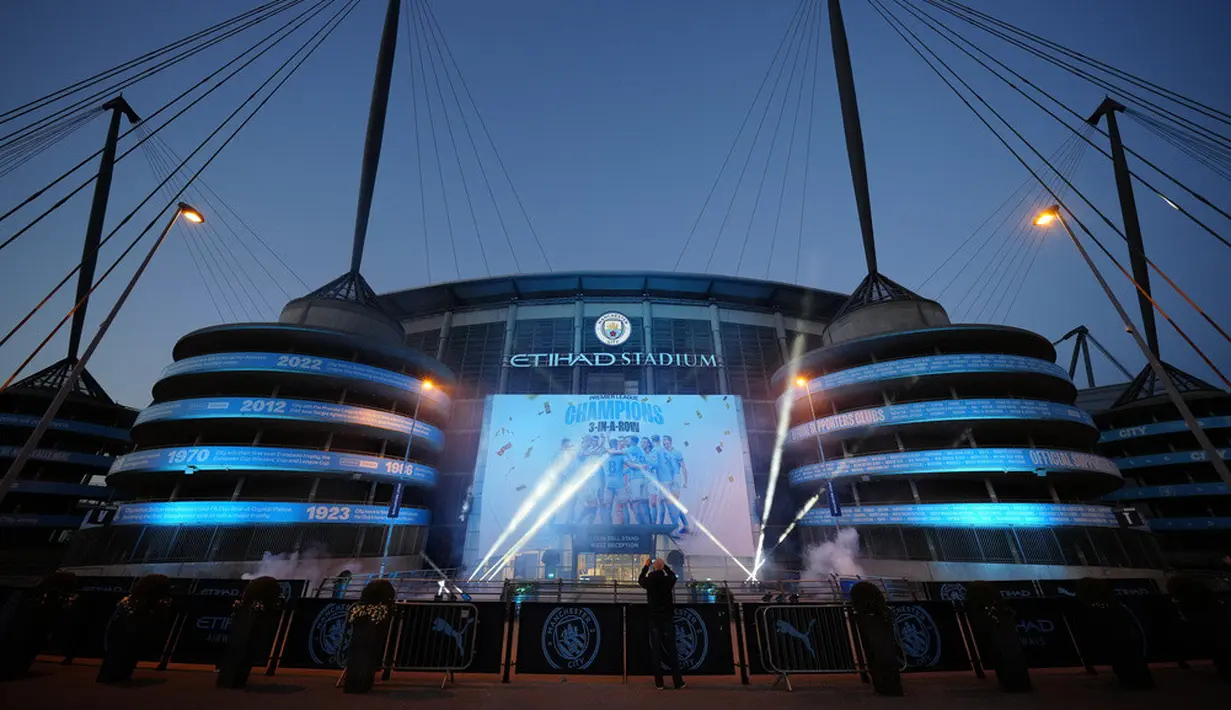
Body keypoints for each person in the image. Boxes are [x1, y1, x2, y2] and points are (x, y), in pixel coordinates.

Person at [639, 558, 685, 690]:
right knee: (672, 650)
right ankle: (678, 681)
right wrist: (665, 567)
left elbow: (640, 579)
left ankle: (659, 683)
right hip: (667, 618)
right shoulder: (667, 581)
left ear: (653, 568)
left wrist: (646, 567)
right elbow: (673, 576)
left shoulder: (649, 580)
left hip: (654, 618)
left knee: (656, 652)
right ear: (662, 567)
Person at [660, 436, 690, 534]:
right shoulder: (662, 453)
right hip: (667, 479)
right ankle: (686, 526)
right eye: (662, 440)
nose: (663, 442)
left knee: (673, 503)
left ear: (670, 441)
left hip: (675, 478)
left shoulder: (676, 452)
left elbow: (683, 467)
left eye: (665, 440)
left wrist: (685, 481)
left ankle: (675, 530)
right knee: (674, 504)